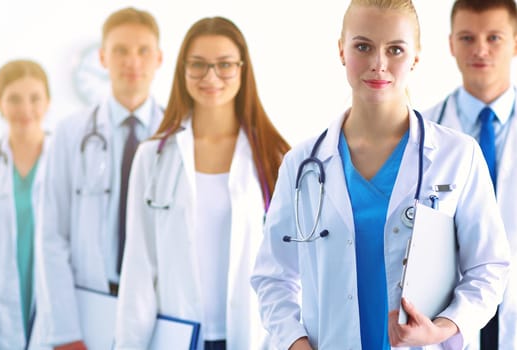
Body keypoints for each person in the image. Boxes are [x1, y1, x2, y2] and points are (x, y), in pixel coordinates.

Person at [250, 0, 511, 349]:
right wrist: (295, 342)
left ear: (416, 57)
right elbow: (272, 277)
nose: (378, 64)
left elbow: (489, 267)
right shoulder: (301, 164)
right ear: (341, 50)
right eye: (363, 46)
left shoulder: (457, 156)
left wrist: (444, 327)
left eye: (396, 50)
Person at [114, 16, 290, 350]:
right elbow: (138, 267)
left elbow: (292, 269)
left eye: (224, 65)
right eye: (198, 65)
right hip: (177, 336)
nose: (211, 77)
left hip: (254, 336)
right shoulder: (153, 157)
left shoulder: (275, 157)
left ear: (242, 70)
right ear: (182, 70)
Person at [36, 7, 163, 350]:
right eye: (120, 50)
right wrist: (65, 331)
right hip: (88, 304)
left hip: (157, 311)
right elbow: (51, 237)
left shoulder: (177, 135)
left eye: (143, 50)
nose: (132, 61)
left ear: (159, 59)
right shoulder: (70, 132)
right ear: (103, 57)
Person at [423, 1, 517, 349]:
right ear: (450, 44)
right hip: (442, 323)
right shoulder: (419, 136)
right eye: (467, 37)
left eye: (494, 37)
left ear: (516, 43)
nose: (480, 49)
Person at [0, 60, 51, 349]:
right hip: (0, 286)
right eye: (14, 98)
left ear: (48, 102)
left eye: (35, 98)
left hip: (50, 285)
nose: (25, 109)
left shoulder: (63, 161)